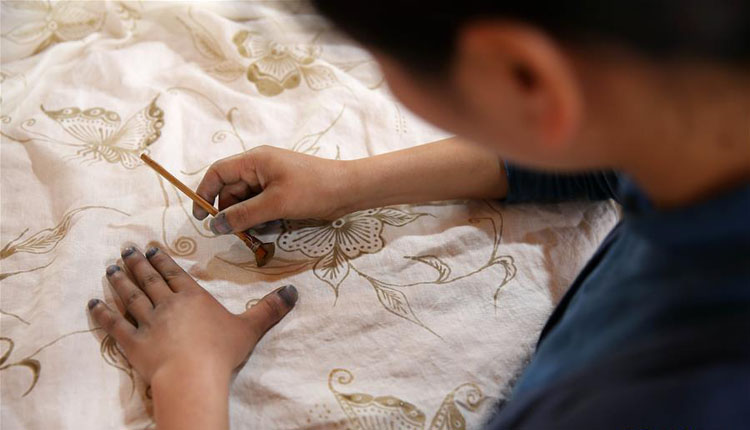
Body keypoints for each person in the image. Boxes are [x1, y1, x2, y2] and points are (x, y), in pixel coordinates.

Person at [87, 1, 750, 429]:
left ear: (525, 77)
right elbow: (605, 153)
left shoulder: (660, 401)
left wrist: (188, 380)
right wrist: (347, 183)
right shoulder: (702, 113)